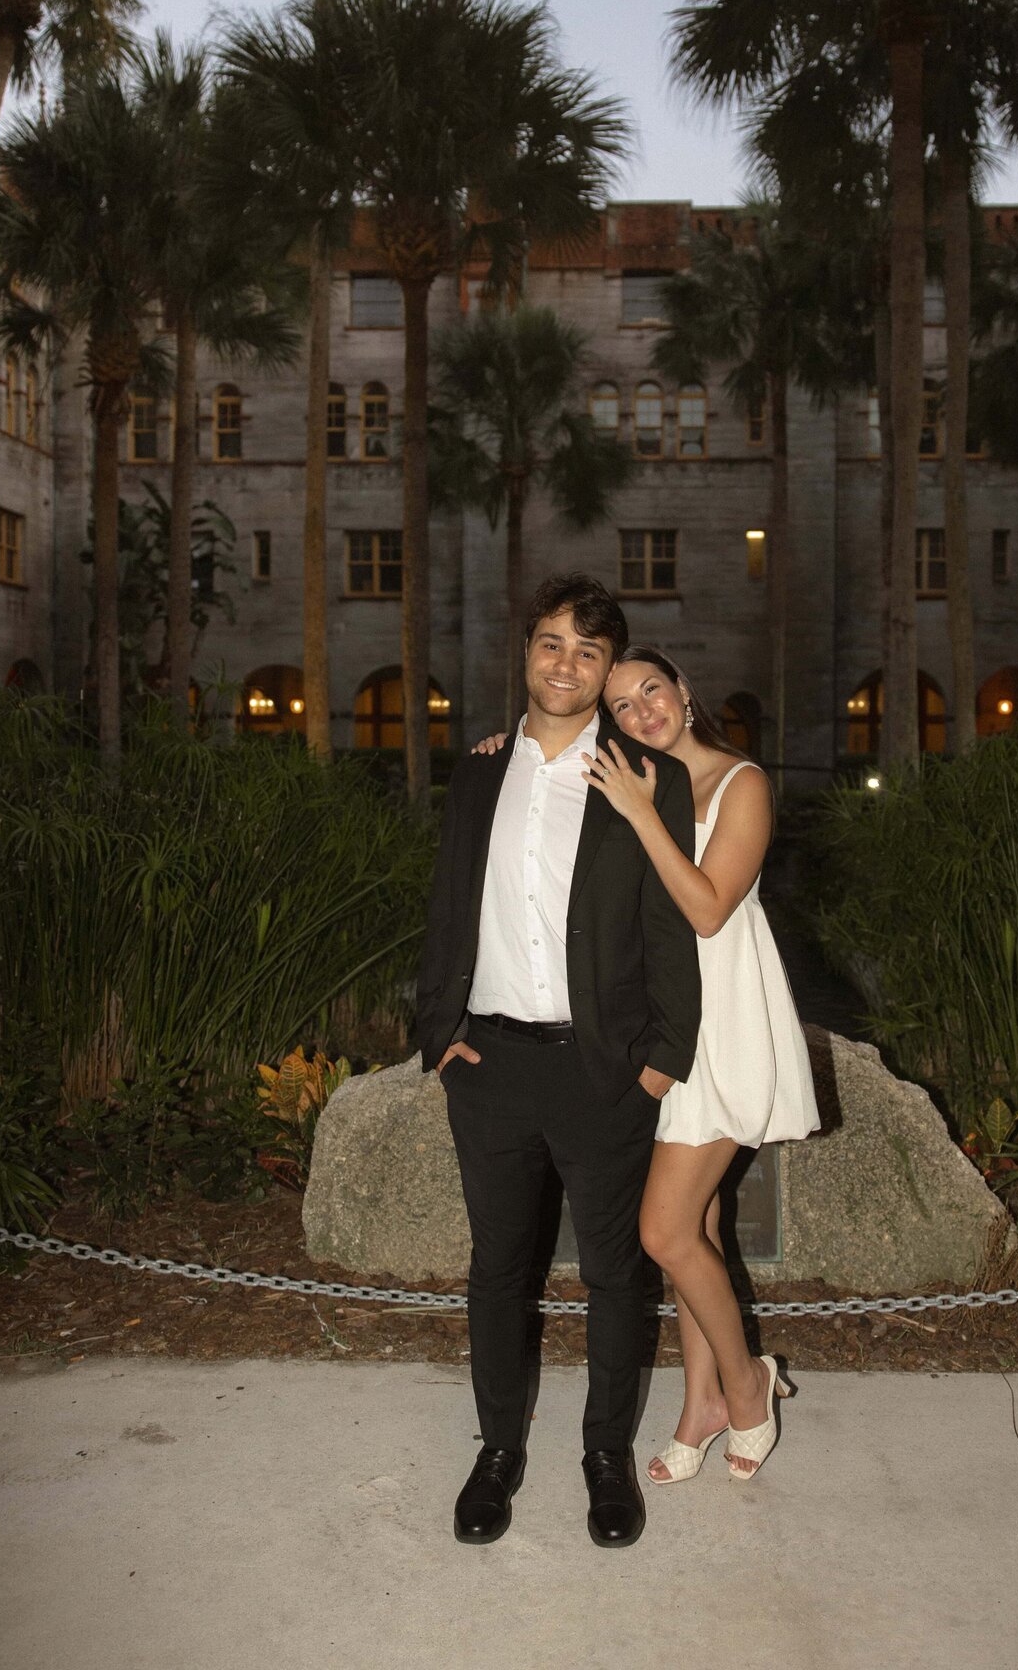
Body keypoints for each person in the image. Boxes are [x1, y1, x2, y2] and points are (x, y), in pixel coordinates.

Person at [475, 644, 819, 1483]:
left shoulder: (741, 783)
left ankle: (746, 1383)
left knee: (662, 1229)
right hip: (656, 1022)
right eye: (622, 705)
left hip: (725, 1021)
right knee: (692, 1233)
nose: (640, 714)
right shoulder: (630, 780)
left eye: (651, 692)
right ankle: (700, 1403)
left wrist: (639, 814)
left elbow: (705, 911)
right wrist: (504, 749)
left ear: (684, 692)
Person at [416, 577, 701, 1550]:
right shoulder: (480, 771)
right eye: (550, 645)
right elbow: (449, 903)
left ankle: (605, 1457)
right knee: (499, 1270)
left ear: (606, 666)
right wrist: (439, 1032)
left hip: (601, 1072)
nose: (566, 665)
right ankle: (498, 1451)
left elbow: (672, 930)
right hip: (488, 1063)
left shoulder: (640, 775)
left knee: (615, 1276)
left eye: (588, 651)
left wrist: (661, 1062)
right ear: (526, 654)